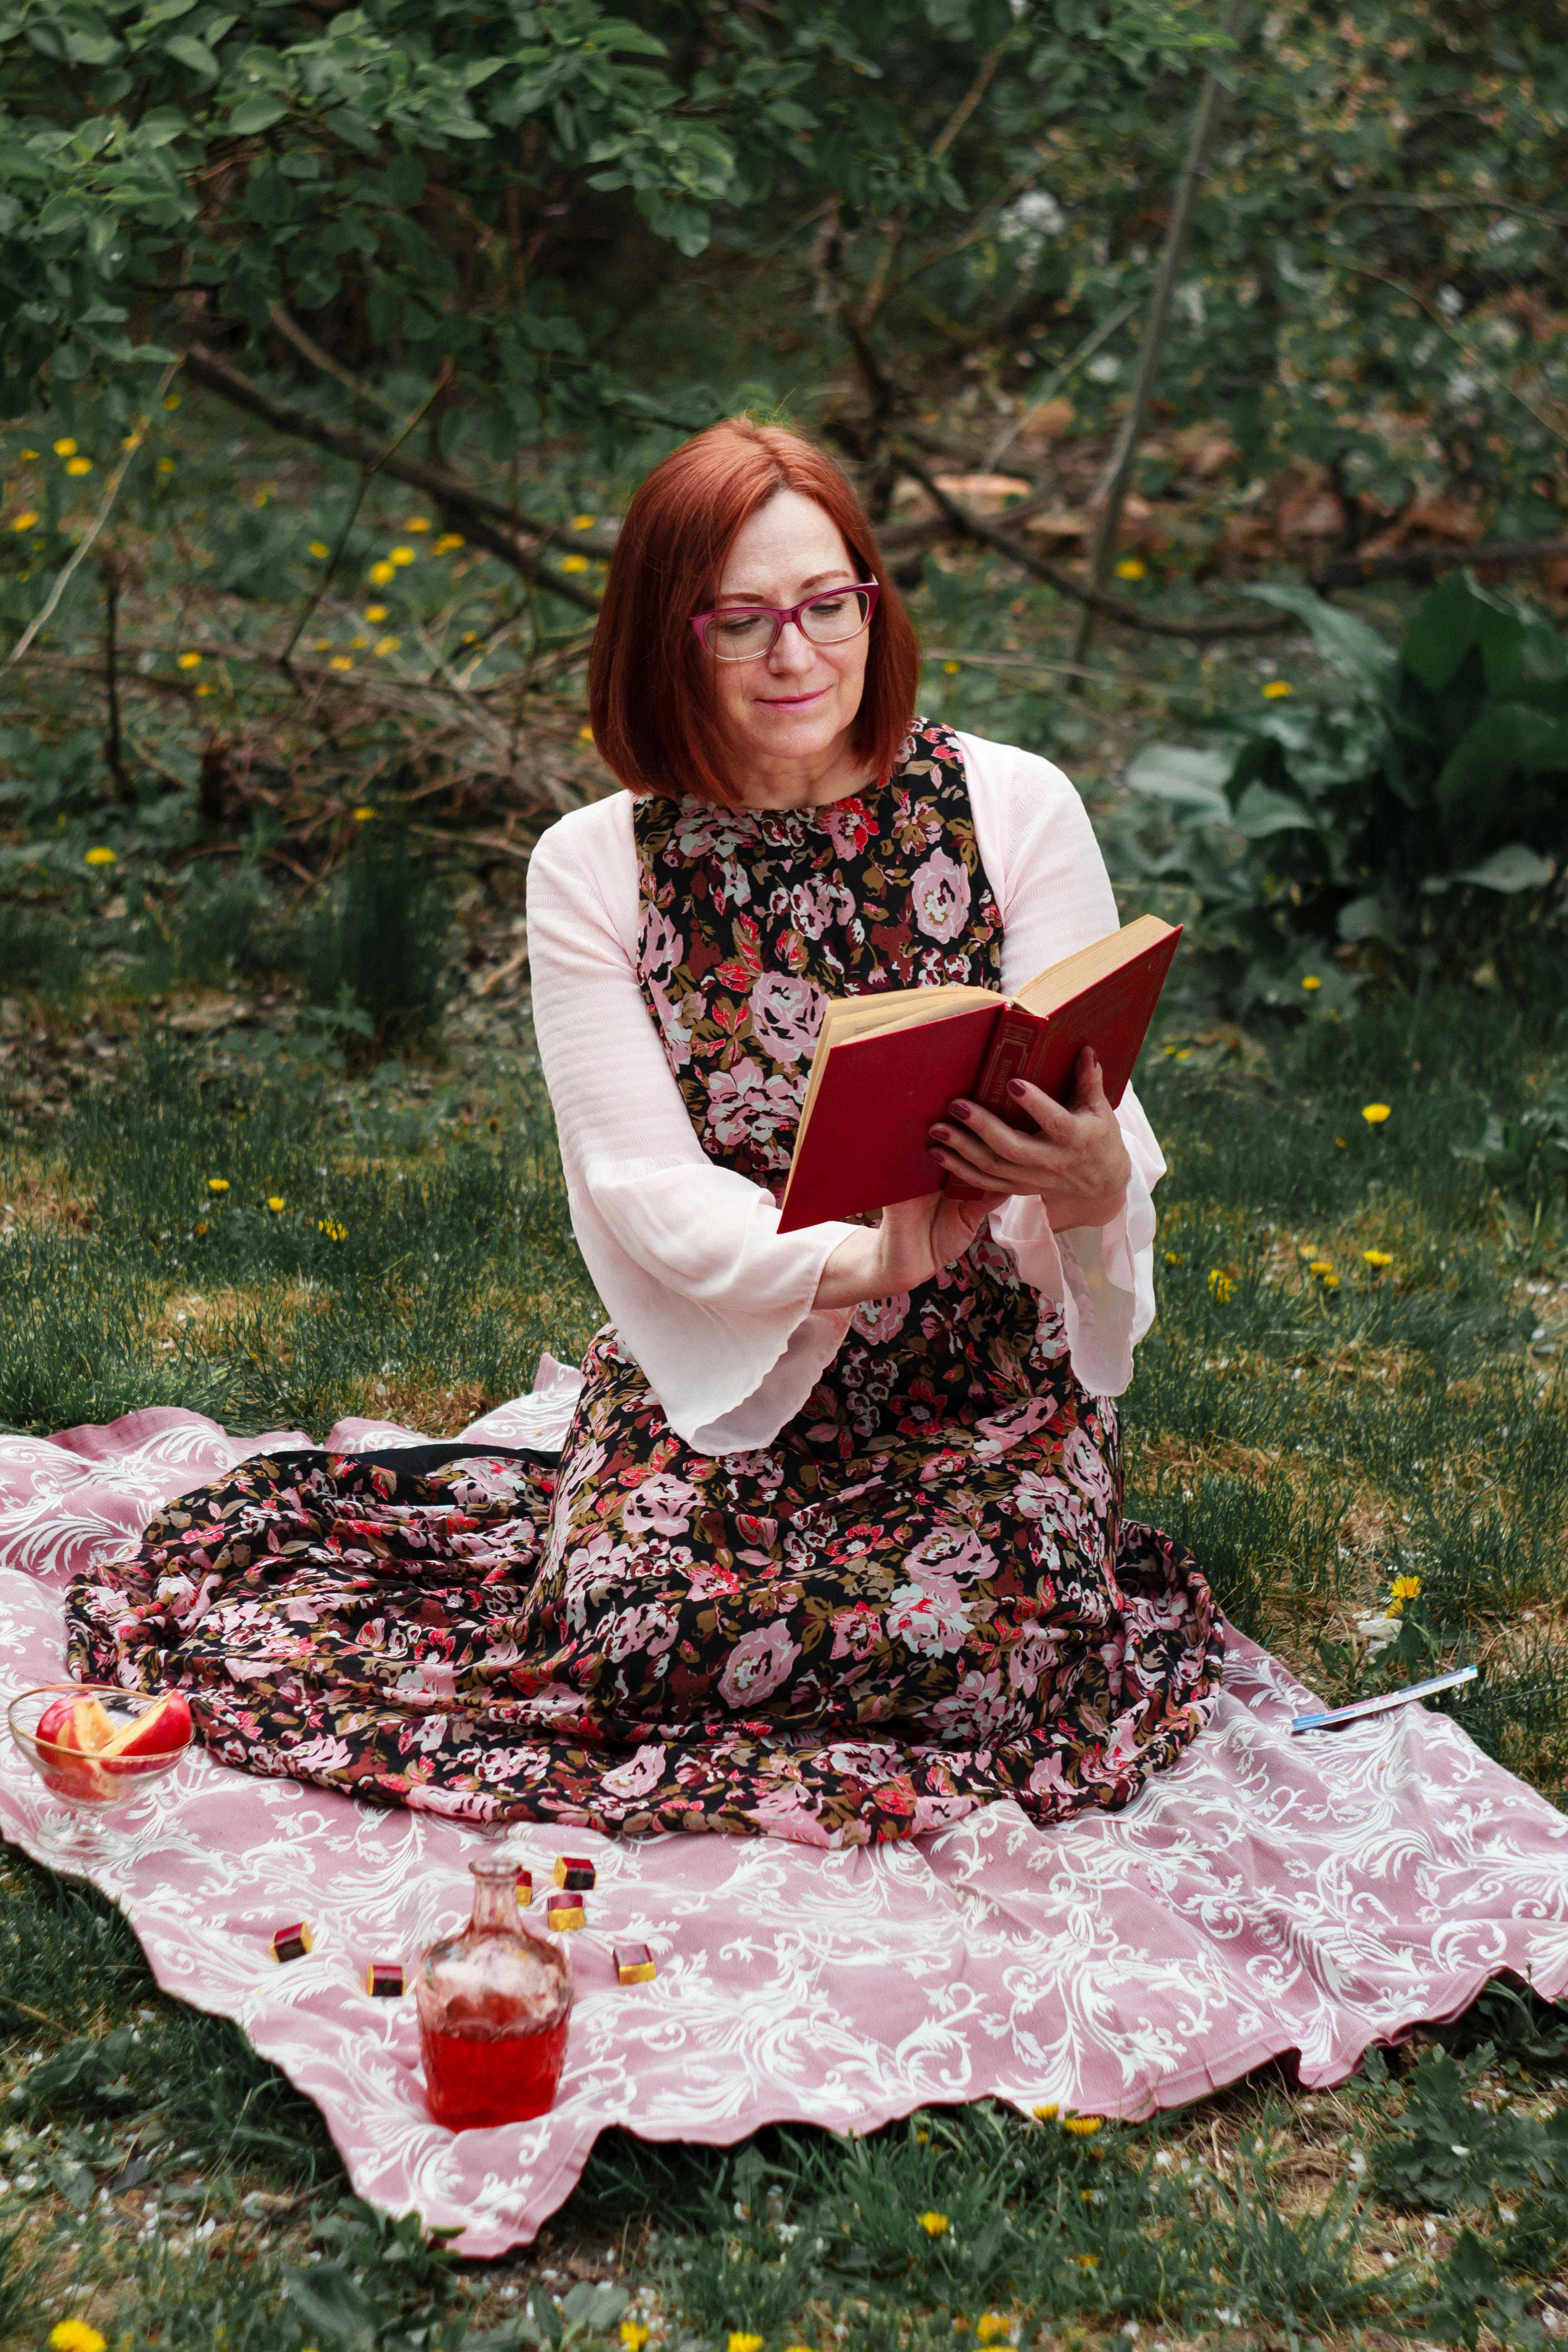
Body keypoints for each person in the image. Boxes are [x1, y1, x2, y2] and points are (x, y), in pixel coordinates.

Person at [65, 419, 1221, 1847]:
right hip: (732, 1362)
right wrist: (873, 1255)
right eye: (740, 620)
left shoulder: (1014, 803)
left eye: (826, 606)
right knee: (634, 1634)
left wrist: (1097, 1175)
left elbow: (1099, 1098)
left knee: (997, 1654)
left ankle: (925, 1629)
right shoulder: (595, 864)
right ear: (666, 638)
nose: (796, 655)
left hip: (986, 1383)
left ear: (874, 601)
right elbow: (640, 1182)